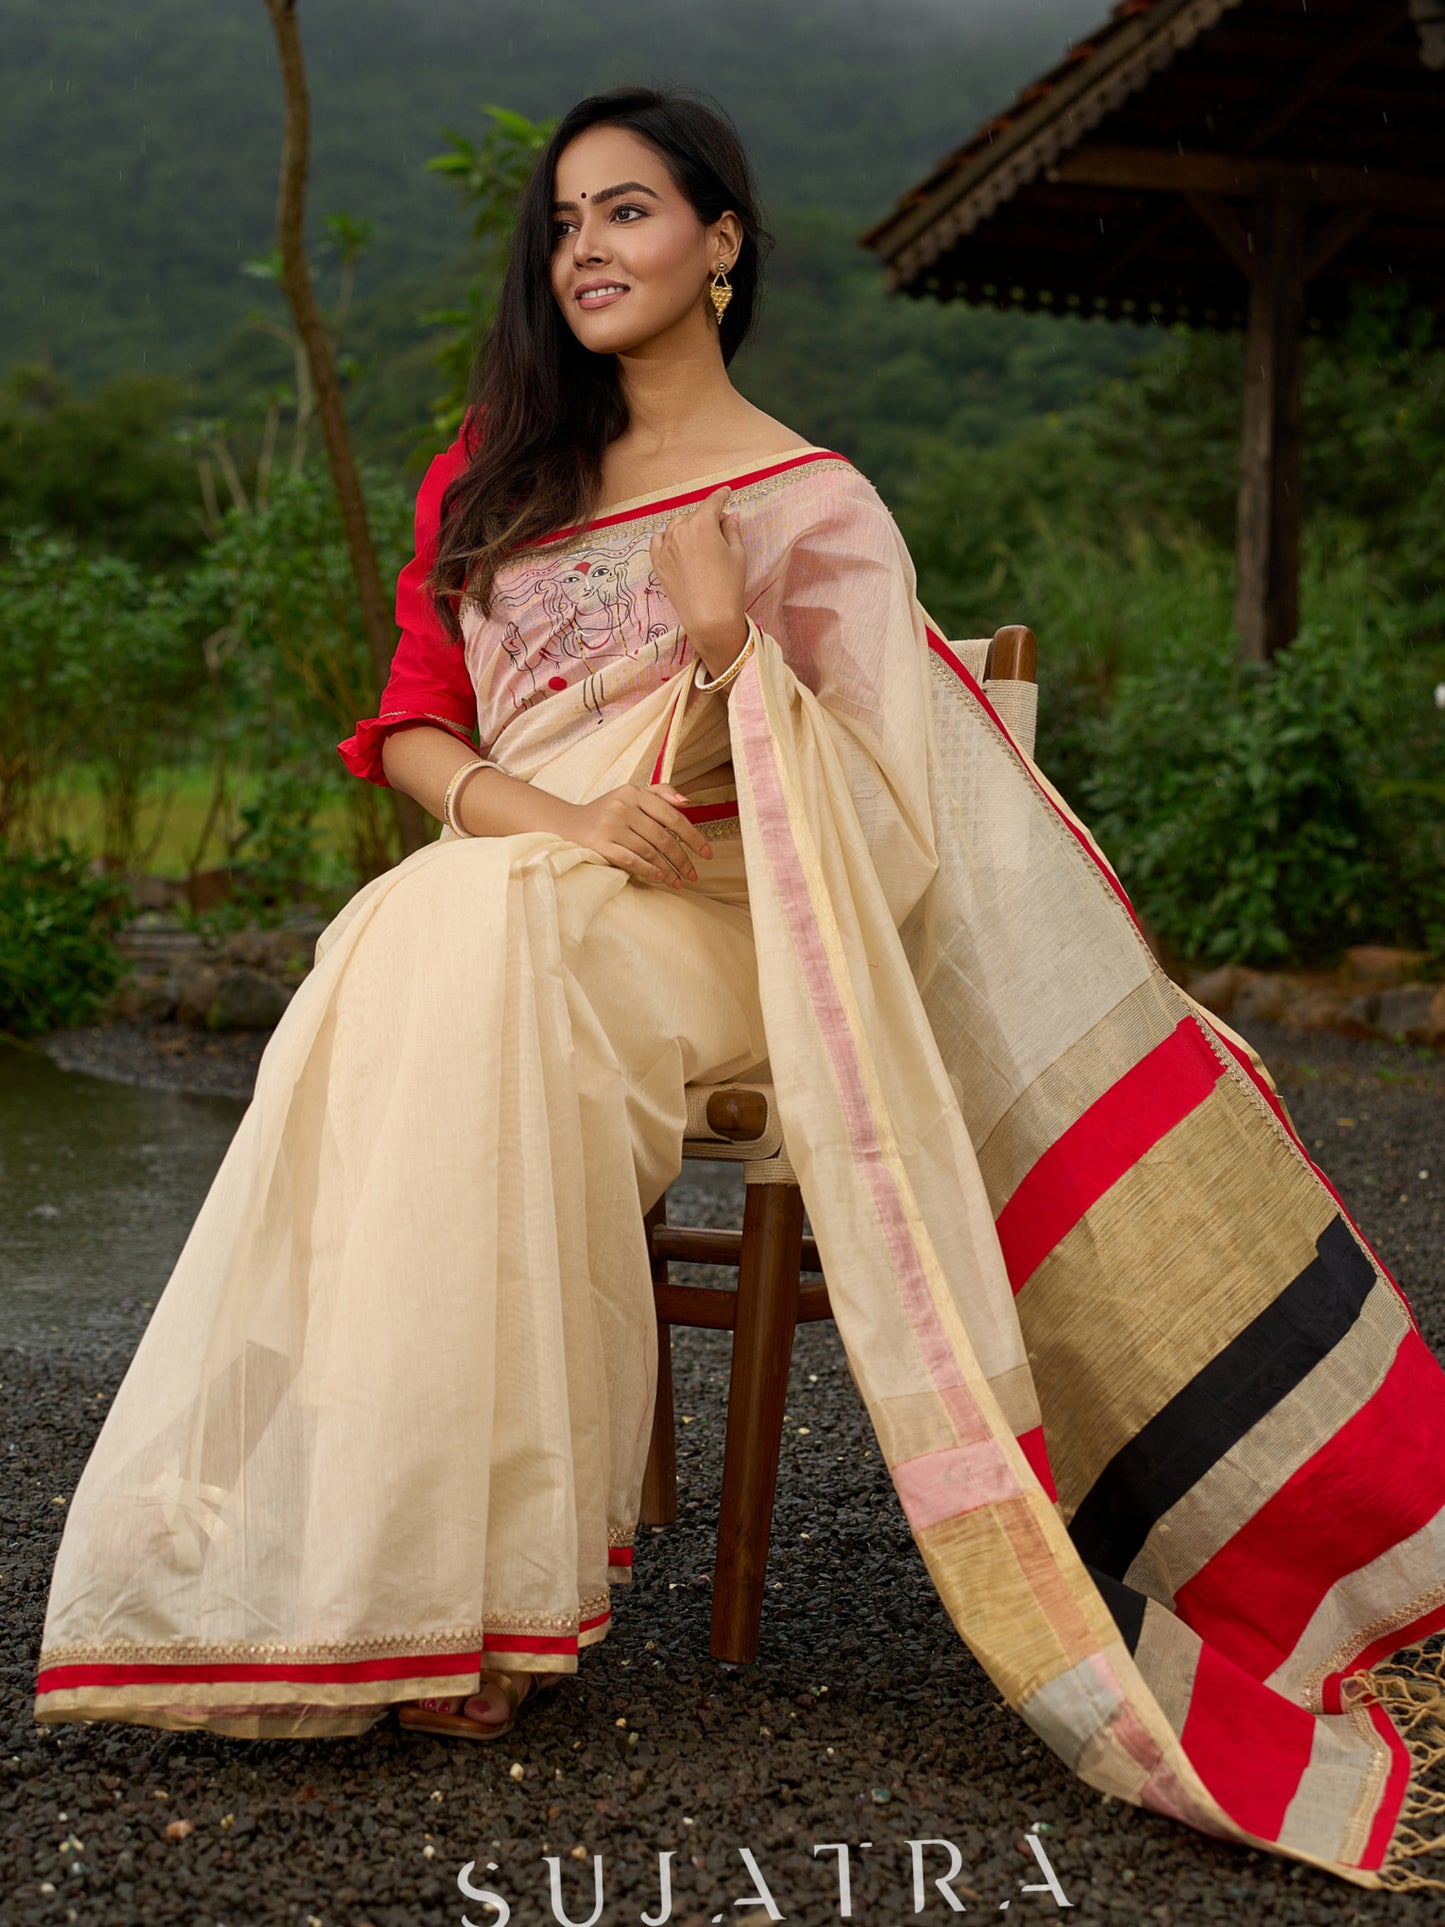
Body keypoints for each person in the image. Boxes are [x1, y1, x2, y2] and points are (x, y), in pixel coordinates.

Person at [35, 85, 1445, 1890]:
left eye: (625, 215)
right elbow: (405, 721)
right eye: (559, 227)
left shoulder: (812, 505)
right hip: (527, 889)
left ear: (721, 245)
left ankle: (480, 1590)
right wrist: (552, 820)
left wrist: (723, 653)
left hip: (736, 933)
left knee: (445, 942)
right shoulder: (490, 475)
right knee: (433, 935)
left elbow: (896, 822)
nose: (585, 253)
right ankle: (382, 1570)